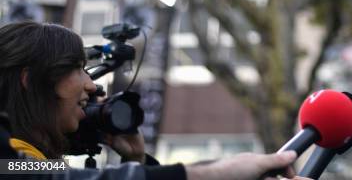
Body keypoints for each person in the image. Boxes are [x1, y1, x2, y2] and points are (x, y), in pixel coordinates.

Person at [0, 21, 298, 180]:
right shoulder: (9, 162)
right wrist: (220, 173)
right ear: (30, 80)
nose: (91, 84)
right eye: (77, 69)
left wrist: (138, 161)